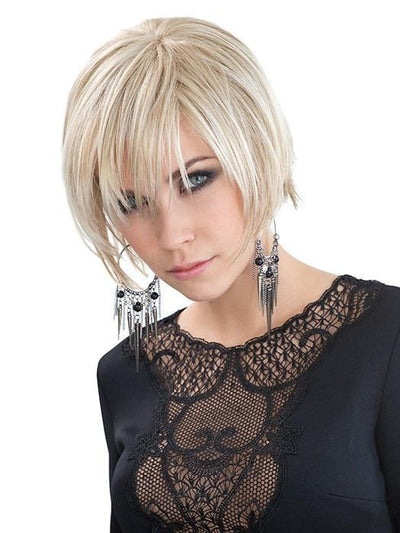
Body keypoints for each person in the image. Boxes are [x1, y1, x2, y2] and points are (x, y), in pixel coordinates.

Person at [62, 16, 400, 533]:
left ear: (256, 150)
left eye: (196, 179)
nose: (172, 234)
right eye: (131, 202)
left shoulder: (386, 338)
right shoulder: (125, 372)